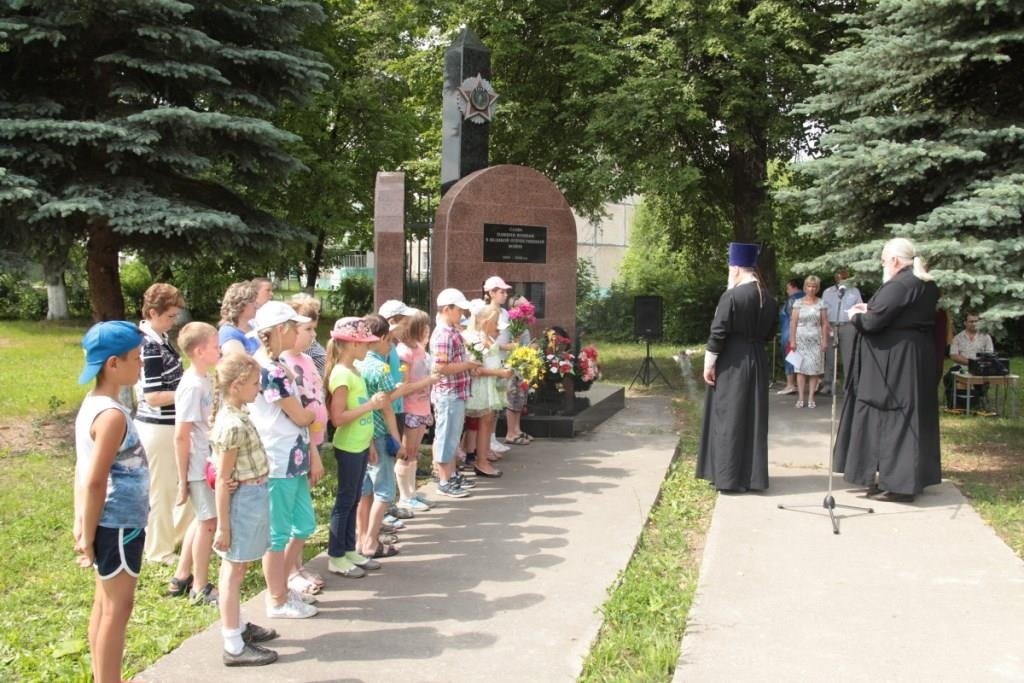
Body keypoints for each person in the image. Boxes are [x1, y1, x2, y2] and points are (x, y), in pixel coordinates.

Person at [835, 237, 941, 503]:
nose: (884, 265)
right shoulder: (924, 283)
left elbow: (873, 323)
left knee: (894, 414)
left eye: (884, 261)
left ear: (894, 260)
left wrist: (855, 315)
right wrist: (869, 308)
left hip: (896, 358)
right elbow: (897, 313)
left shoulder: (900, 283)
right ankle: (906, 478)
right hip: (914, 354)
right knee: (909, 413)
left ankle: (898, 484)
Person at [74, 321, 149, 683]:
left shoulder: (96, 404)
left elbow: (85, 474)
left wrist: (84, 527)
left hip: (112, 522)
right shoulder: (112, 416)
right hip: (118, 523)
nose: (141, 365)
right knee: (118, 608)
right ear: (113, 364)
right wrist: (86, 537)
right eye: (136, 358)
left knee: (105, 606)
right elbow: (94, 481)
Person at [246, 301, 322, 619]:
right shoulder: (271, 370)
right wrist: (309, 414)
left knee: (304, 523)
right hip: (278, 459)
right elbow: (300, 415)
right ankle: (277, 598)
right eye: (294, 326)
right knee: (278, 534)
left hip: (294, 455)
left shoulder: (276, 364)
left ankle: (284, 585)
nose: (299, 332)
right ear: (280, 331)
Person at [210, 352, 280, 667]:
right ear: (237, 385)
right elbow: (223, 480)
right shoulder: (232, 423)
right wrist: (224, 527)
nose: (259, 388)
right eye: (254, 383)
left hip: (253, 495)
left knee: (240, 567)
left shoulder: (239, 413)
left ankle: (237, 626)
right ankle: (233, 644)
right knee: (234, 569)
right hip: (243, 502)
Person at [697, 243, 776, 493]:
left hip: (733, 361)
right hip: (757, 359)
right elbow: (771, 332)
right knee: (752, 416)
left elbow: (718, 332)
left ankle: (729, 477)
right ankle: (751, 477)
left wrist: (709, 364)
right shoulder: (769, 297)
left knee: (729, 416)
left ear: (736, 269)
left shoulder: (732, 296)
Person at [135, 283, 194, 566]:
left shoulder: (160, 338)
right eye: (170, 316)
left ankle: (175, 537)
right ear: (152, 312)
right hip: (158, 427)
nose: (174, 321)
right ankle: (158, 550)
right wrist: (190, 391)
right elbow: (153, 396)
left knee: (182, 486)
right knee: (163, 489)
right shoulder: (148, 345)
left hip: (173, 424)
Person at [325, 317, 388, 578]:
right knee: (345, 500)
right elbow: (337, 417)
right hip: (348, 446)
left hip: (361, 444)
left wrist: (371, 442)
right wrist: (370, 406)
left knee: (353, 500)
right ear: (351, 344)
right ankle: (336, 556)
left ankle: (349, 549)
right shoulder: (341, 374)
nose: (368, 348)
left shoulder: (355, 371)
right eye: (364, 343)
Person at [280, 299, 329, 598]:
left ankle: (296, 566)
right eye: (308, 329)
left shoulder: (307, 360)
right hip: (299, 445)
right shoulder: (284, 364)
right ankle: (289, 571)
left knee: (303, 509)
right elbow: (298, 412)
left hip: (315, 438)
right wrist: (312, 451)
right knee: (292, 515)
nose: (313, 335)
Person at [172, 322, 221, 606]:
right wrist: (183, 480)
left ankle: (182, 576)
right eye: (215, 347)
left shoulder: (204, 379)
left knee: (202, 520)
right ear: (200, 351)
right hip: (197, 466)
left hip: (206, 460)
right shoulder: (191, 385)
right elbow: (181, 435)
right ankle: (200, 586)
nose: (219, 350)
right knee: (209, 523)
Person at [430, 288, 482, 498]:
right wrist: (468, 364)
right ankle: (444, 480)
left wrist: (468, 366)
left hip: (456, 392)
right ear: (447, 309)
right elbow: (441, 368)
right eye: (458, 309)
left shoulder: (451, 331)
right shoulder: (443, 334)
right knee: (445, 437)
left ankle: (450, 476)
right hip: (448, 393)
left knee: (452, 437)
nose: (461, 313)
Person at [464, 301, 514, 478]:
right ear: (485, 322)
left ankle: (481, 458)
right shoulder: (474, 338)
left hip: (489, 385)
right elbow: (474, 369)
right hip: (481, 387)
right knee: (483, 423)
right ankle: (480, 460)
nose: (498, 327)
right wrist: (499, 371)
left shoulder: (486, 337)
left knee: (486, 423)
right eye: (495, 322)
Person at [394, 309, 434, 511]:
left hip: (422, 407)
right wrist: (430, 380)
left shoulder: (420, 348)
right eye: (424, 326)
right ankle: (404, 496)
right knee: (406, 453)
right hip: (410, 408)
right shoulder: (404, 352)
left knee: (414, 452)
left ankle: (412, 493)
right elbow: (404, 386)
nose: (428, 330)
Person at [788, 275, 830, 408]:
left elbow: (824, 323)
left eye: (814, 286)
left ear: (817, 288)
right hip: (800, 340)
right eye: (809, 286)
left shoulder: (821, 303)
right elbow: (793, 323)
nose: (811, 289)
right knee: (800, 369)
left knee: (814, 370)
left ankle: (811, 397)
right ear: (805, 287)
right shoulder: (798, 303)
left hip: (816, 340)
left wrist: (825, 341)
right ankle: (801, 397)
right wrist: (792, 341)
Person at [820, 268, 864, 395]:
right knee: (829, 356)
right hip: (830, 325)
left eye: (844, 275)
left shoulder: (854, 291)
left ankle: (849, 386)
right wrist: (825, 324)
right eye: (839, 275)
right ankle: (828, 384)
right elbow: (823, 310)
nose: (842, 277)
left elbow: (859, 308)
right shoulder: (828, 292)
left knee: (848, 356)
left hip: (848, 326)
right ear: (835, 277)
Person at [218, 281, 261, 356]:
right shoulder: (228, 333)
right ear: (239, 304)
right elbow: (238, 365)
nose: (256, 304)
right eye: (252, 301)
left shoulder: (254, 326)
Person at [776, 279, 803, 395]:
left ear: (794, 287)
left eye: (788, 288)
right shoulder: (806, 297)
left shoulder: (793, 299)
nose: (787, 291)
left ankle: (790, 384)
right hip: (802, 333)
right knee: (800, 359)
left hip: (790, 334)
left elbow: (792, 317)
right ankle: (798, 384)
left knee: (790, 358)